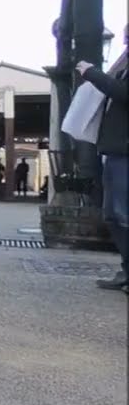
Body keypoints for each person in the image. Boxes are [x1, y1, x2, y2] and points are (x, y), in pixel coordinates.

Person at [77, 23, 128, 293]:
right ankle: (126, 270)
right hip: (116, 150)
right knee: (113, 215)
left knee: (121, 214)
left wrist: (92, 74)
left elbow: (122, 93)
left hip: (124, 152)